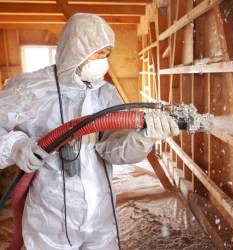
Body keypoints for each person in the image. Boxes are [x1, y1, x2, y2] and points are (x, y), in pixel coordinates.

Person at [0, 13, 179, 249]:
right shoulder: (31, 89)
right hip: (49, 216)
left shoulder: (105, 93)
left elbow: (112, 150)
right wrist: (16, 146)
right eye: (97, 54)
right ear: (76, 51)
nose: (103, 62)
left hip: (100, 216)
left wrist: (144, 138)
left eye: (106, 55)